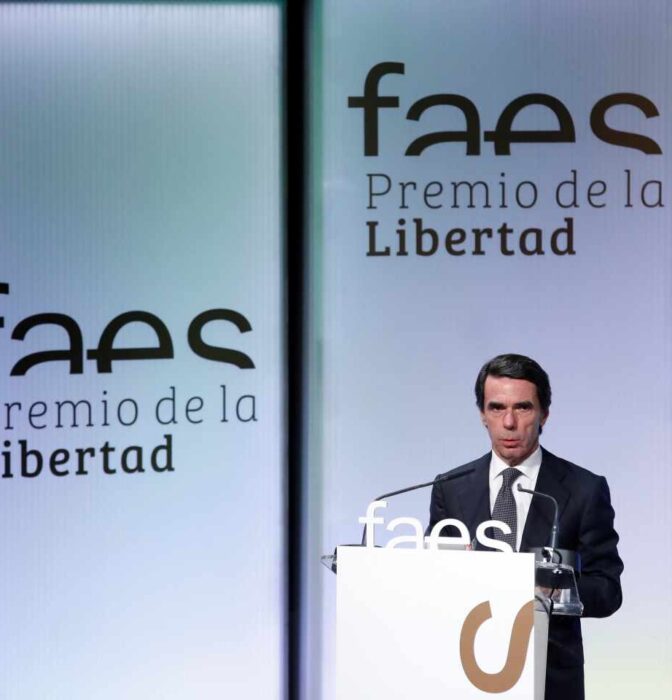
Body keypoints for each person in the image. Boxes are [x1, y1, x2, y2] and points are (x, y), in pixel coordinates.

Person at [428, 353, 623, 700]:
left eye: (522, 407)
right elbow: (430, 580)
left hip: (548, 682)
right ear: (482, 414)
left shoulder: (584, 490)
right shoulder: (450, 488)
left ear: (544, 414)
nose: (509, 422)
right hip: (464, 674)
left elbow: (607, 590)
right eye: (496, 407)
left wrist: (552, 589)